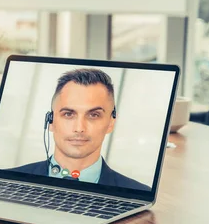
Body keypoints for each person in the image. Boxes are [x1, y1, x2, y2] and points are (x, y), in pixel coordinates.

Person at [9, 68, 151, 191]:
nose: (79, 128)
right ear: (51, 121)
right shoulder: (9, 182)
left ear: (110, 123)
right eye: (68, 114)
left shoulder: (138, 194)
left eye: (94, 115)